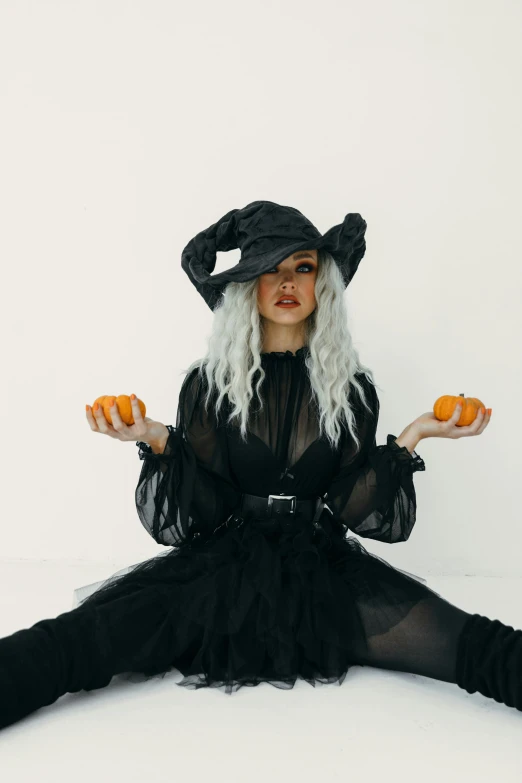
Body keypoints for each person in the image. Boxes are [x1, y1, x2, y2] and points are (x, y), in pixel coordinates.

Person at [0, 200, 519, 731]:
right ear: (248, 286)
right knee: (82, 641)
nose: (286, 282)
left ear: (324, 285)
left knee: (470, 645)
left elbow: (354, 510)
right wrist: (157, 440)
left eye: (303, 267)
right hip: (220, 571)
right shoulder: (209, 385)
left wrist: (413, 438)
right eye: (269, 269)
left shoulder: (354, 391)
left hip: (326, 576)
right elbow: (201, 514)